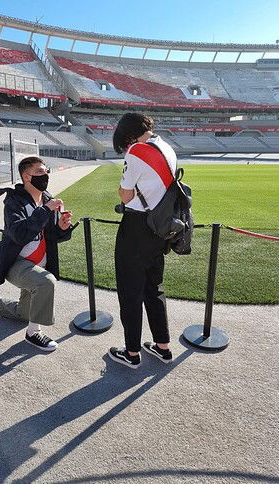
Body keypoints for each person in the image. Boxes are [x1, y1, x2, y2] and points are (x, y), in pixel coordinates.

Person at [0, 156, 73, 352]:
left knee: (24, 313)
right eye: (39, 171)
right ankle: (33, 333)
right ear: (26, 177)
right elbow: (19, 234)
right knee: (46, 282)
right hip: (17, 263)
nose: (44, 175)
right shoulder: (14, 202)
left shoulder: (48, 198)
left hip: (38, 262)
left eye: (46, 171)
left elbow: (52, 236)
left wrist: (62, 227)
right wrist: (45, 210)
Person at [108, 113, 177, 369]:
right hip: (160, 228)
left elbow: (125, 197)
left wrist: (125, 191)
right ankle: (163, 347)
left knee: (130, 293)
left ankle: (132, 352)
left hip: (137, 227)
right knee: (154, 288)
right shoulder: (166, 147)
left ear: (128, 135)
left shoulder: (137, 150)